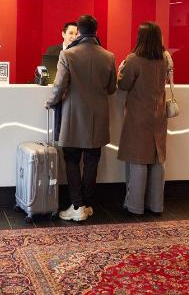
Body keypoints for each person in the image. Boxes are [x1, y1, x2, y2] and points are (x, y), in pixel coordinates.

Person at [45, 15, 117, 222]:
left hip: (73, 117)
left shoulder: (68, 54)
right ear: (96, 31)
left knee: (72, 160)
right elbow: (112, 88)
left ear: (79, 31)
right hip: (98, 117)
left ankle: (77, 205)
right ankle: (86, 204)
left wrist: (50, 102)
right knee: (92, 161)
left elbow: (59, 86)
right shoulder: (109, 56)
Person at [117, 22, 172, 216]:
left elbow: (123, 85)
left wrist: (120, 70)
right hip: (159, 116)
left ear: (141, 38)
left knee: (138, 160)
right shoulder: (164, 59)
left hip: (138, 116)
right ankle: (156, 205)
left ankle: (135, 206)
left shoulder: (134, 60)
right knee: (157, 160)